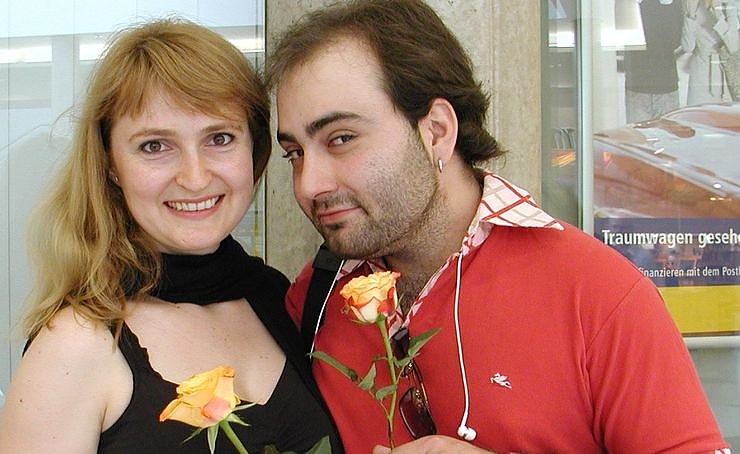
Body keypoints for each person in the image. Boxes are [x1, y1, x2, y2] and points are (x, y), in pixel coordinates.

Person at [265, 1, 731, 453]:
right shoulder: (315, 299)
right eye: (295, 153)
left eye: (342, 139)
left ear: (436, 131)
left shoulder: (596, 294)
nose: (309, 184)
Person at [0, 19, 341, 453]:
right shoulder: (75, 345)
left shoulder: (275, 297)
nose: (195, 178)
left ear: (254, 150)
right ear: (110, 164)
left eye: (219, 138)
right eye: (155, 146)